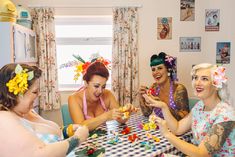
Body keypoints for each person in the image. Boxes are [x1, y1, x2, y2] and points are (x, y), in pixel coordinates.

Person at [143, 63, 235, 157]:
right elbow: (177, 129)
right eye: (196, 78)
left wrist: (167, 134)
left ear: (216, 85)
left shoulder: (226, 115)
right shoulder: (199, 106)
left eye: (204, 79)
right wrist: (163, 106)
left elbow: (202, 153)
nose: (197, 83)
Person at [0, 63, 89, 157]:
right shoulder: (3, 119)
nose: (38, 95)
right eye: (34, 92)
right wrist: (77, 139)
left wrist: (66, 131)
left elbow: (45, 133)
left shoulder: (25, 112)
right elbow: (38, 153)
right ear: (16, 94)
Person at [68, 58, 138, 131]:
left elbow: (121, 120)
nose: (100, 91)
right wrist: (106, 116)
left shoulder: (107, 94)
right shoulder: (74, 99)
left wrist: (126, 112)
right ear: (86, 83)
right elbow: (80, 127)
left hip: (104, 139)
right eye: (96, 86)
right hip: (84, 140)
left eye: (103, 87)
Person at [139, 52, 189, 120]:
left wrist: (162, 105)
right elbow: (147, 113)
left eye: (159, 68)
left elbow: (185, 118)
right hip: (160, 127)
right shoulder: (154, 88)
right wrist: (141, 97)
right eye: (153, 69)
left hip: (175, 129)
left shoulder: (179, 89)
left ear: (168, 70)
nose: (155, 72)